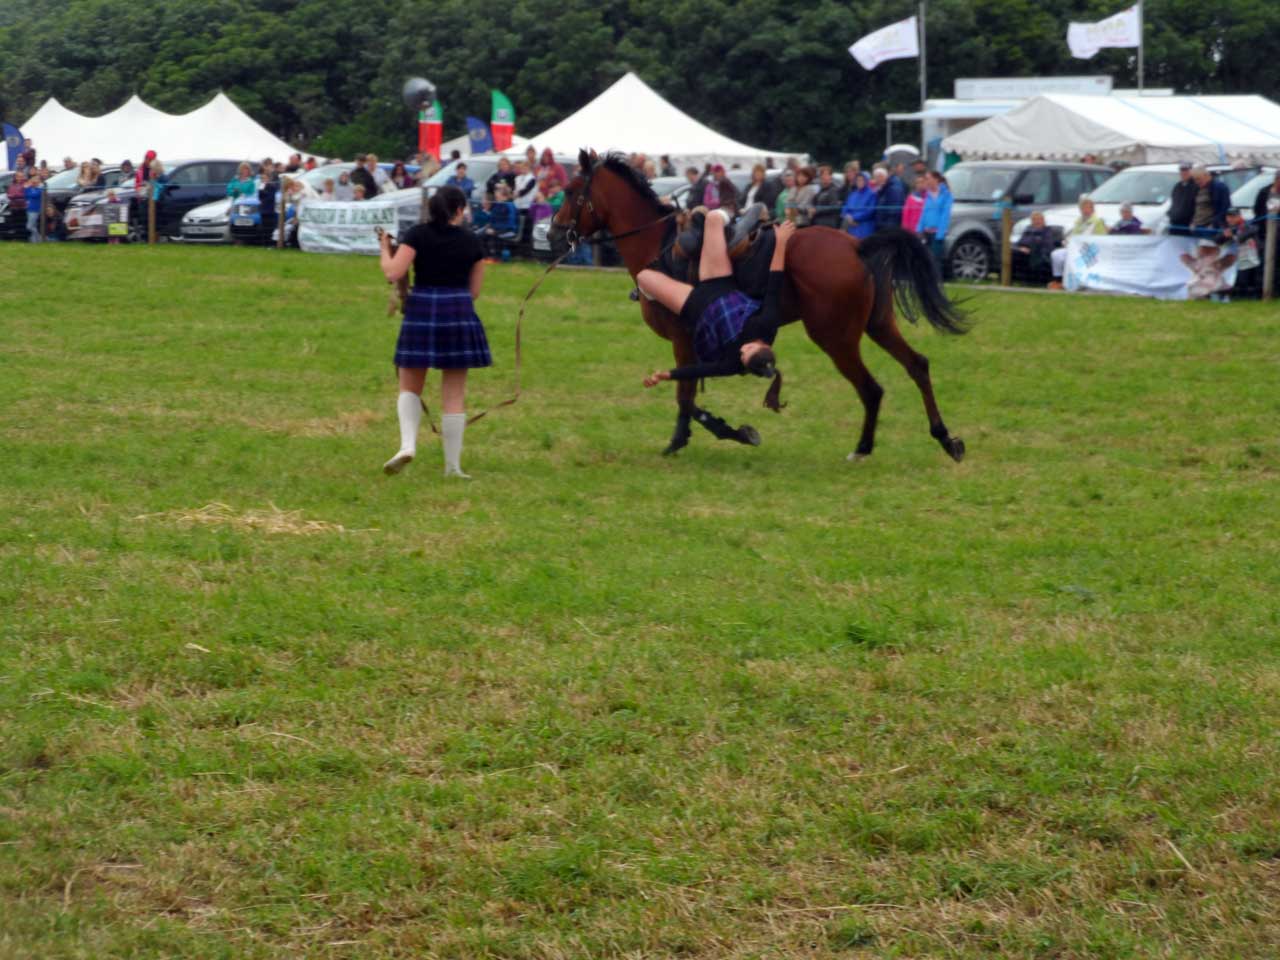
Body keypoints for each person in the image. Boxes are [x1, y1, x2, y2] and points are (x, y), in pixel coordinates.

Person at [378, 185, 489, 479]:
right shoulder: (473, 241)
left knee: (409, 386)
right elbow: (475, 292)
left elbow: (393, 272)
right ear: (458, 210)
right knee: (454, 394)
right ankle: (453, 467)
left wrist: (383, 248)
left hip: (422, 310)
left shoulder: (416, 234)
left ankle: (407, 446)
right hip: (458, 311)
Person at [638, 216, 795, 387]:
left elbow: (699, 370)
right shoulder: (767, 325)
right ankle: (744, 220)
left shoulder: (734, 364)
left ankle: (662, 298)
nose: (742, 350)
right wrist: (781, 241)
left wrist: (665, 376)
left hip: (694, 304)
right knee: (713, 218)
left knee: (643, 277)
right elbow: (774, 283)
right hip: (720, 282)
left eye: (743, 356)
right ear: (765, 346)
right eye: (749, 349)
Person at [1050, 196, 1107, 284]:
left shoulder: (1097, 221)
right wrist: (1067, 241)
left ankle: (1073, 281)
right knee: (1056, 254)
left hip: (1089, 251)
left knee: (1074, 258)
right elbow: (1073, 236)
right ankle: (1058, 280)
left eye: (1087, 208)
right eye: (1082, 208)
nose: (1084, 210)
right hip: (1074, 248)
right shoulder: (1078, 222)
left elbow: (1102, 240)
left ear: (1092, 209)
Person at [916, 170, 953, 272]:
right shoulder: (927, 195)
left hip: (937, 233)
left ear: (936, 179)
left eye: (928, 179)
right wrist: (919, 229)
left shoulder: (946, 195)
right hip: (926, 232)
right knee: (925, 259)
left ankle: (936, 282)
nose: (926, 181)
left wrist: (940, 234)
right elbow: (923, 213)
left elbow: (945, 215)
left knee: (935, 260)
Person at [1014, 210, 1057, 280]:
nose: (1037, 221)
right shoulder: (1028, 230)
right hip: (1023, 252)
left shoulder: (1047, 231)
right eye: (1034, 219)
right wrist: (1021, 248)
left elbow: (1048, 246)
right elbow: (1019, 243)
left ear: (1043, 220)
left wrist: (1031, 249)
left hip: (1039, 254)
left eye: (1039, 219)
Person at [480, 182, 519, 258]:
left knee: (491, 235)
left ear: (504, 196)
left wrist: (495, 230)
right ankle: (485, 256)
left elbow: (510, 224)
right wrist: (490, 225)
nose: (495, 194)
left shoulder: (509, 206)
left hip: (508, 230)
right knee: (479, 235)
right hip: (495, 229)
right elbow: (492, 219)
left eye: (497, 192)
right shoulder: (497, 205)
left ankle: (495, 257)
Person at [1190, 166, 1230, 235]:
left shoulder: (1220, 187)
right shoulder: (1197, 189)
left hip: (1210, 228)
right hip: (1197, 227)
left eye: (1198, 179)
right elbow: (1195, 207)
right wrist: (1192, 222)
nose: (1197, 182)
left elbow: (1225, 208)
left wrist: (1214, 224)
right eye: (1195, 180)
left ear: (1206, 176)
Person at [841, 171, 877, 239]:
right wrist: (847, 217)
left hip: (865, 227)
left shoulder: (872, 194)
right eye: (857, 180)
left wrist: (854, 217)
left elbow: (870, 211)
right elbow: (845, 208)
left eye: (861, 180)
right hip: (851, 227)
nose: (859, 182)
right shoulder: (853, 194)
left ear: (866, 181)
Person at [874, 162, 906, 232]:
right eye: (876, 175)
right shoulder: (884, 186)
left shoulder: (894, 187)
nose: (877, 178)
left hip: (889, 227)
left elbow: (894, 210)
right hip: (883, 225)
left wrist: (885, 227)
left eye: (880, 175)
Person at [1167, 162, 1197, 235]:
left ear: (1191, 171)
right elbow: (1174, 203)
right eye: (1182, 170)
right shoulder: (1177, 186)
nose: (1184, 173)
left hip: (1188, 225)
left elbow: (1198, 206)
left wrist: (1194, 221)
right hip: (1175, 223)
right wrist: (1170, 214)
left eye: (1186, 170)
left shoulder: (1196, 186)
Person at [23, 174, 44, 243]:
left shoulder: (40, 189)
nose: (33, 183)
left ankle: (39, 238)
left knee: (29, 226)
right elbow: (26, 196)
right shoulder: (30, 189)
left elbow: (34, 195)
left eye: (35, 182)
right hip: (29, 209)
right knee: (33, 226)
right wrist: (27, 188)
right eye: (32, 181)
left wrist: (27, 188)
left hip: (35, 209)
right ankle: (34, 241)